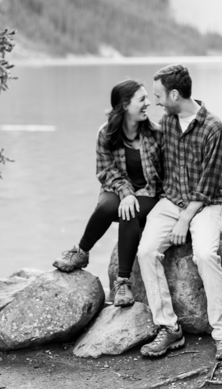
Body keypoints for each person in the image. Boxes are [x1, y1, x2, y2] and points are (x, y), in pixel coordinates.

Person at [137, 64, 222, 361]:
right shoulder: (167, 121)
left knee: (205, 254)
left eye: (158, 95)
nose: (155, 101)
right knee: (146, 252)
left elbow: (209, 184)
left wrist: (184, 219)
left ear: (175, 94)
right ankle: (169, 328)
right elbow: (155, 162)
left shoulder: (214, 128)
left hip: (204, 204)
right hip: (171, 199)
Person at [53, 79, 163, 307]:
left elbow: (164, 176)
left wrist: (135, 196)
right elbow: (105, 171)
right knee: (106, 206)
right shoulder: (106, 134)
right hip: (117, 188)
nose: (148, 103)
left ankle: (123, 282)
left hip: (149, 193)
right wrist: (126, 192)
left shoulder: (156, 134)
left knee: (129, 212)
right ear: (125, 105)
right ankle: (81, 252)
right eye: (142, 99)